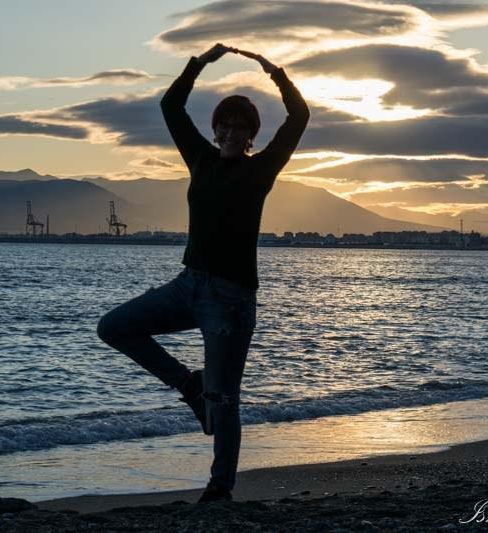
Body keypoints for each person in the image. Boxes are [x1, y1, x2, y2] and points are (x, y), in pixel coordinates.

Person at [97, 43, 309, 503]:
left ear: (252, 136)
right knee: (113, 327)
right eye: (225, 125)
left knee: (225, 400)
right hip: (188, 285)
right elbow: (170, 106)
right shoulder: (201, 160)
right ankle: (188, 384)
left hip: (231, 300)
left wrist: (275, 73)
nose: (231, 133)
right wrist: (200, 63)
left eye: (241, 128)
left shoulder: (261, 170)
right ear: (215, 130)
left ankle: (220, 488)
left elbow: (299, 117)